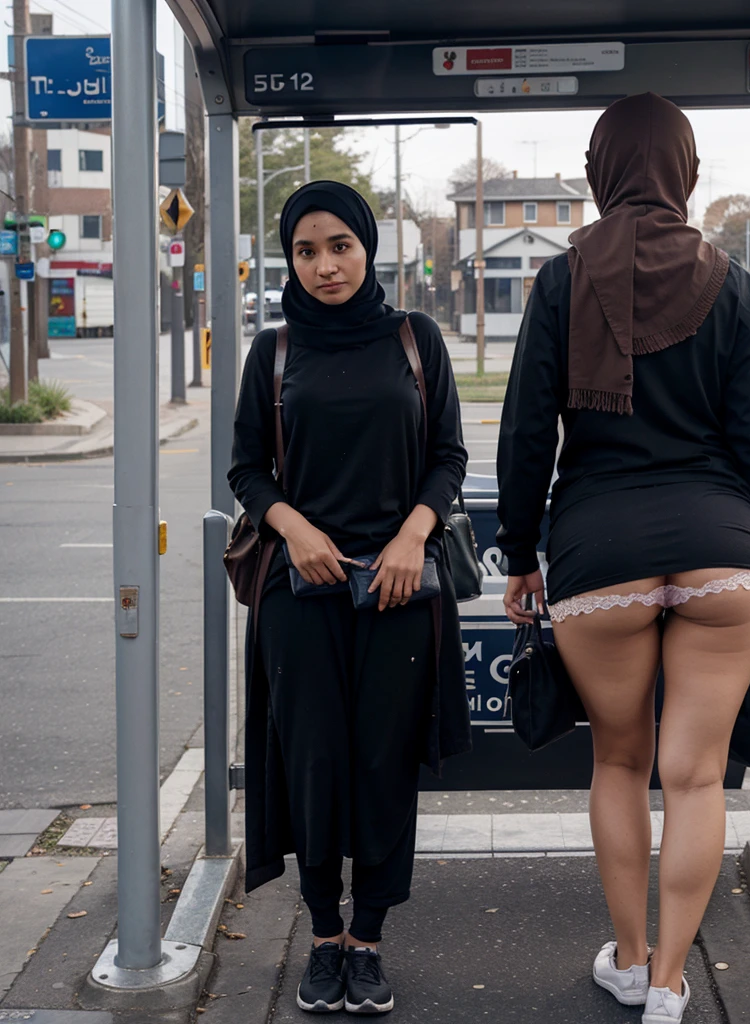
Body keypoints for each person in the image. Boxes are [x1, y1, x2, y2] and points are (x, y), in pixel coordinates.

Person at [496, 94, 750, 1024]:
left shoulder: (559, 280)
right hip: (725, 553)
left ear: (599, 170)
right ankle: (672, 984)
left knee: (620, 765)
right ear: (687, 170)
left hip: (599, 550)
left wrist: (518, 551)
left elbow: (523, 431)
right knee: (696, 775)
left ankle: (628, 960)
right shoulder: (735, 284)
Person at [228, 181, 470, 1015]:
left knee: (381, 766)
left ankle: (368, 939)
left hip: (400, 592)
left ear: (368, 249)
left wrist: (412, 534)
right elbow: (246, 467)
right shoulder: (277, 350)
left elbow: (448, 456)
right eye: (306, 250)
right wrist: (291, 527)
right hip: (301, 596)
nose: (325, 265)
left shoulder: (415, 339)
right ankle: (323, 935)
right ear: (289, 259)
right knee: (313, 765)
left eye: (340, 246)